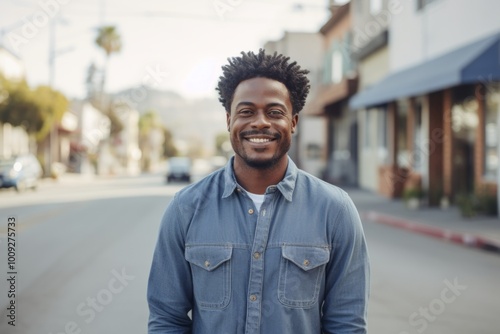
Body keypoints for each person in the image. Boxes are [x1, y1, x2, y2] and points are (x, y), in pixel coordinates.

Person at [147, 49, 370, 333]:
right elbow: (167, 319)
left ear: (293, 121)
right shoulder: (185, 208)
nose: (260, 122)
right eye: (246, 111)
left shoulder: (335, 210)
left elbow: (346, 324)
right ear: (229, 120)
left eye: (275, 112)